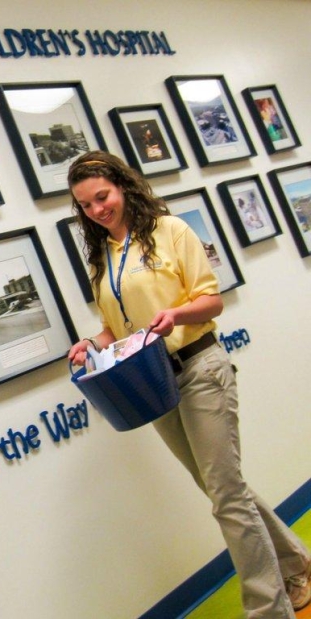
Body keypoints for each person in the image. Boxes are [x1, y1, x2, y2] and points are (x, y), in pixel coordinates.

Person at [66, 151, 310, 617]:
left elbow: (211, 302)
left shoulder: (170, 231)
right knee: (220, 488)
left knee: (225, 493)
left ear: (123, 187)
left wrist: (176, 314)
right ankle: (295, 562)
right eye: (87, 205)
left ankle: (268, 608)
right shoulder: (102, 257)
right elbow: (115, 328)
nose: (98, 210)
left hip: (200, 367)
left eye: (103, 196)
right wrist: (87, 344)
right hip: (150, 383)